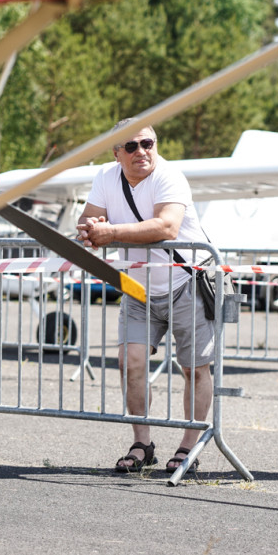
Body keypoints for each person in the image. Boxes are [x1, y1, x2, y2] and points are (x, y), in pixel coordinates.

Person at [76, 119, 215, 475]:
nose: (142, 152)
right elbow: (88, 219)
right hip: (137, 288)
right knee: (129, 362)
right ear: (116, 152)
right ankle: (142, 443)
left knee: (194, 369)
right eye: (132, 146)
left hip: (187, 282)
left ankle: (190, 444)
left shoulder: (170, 176)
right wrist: (90, 230)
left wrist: (111, 232)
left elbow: (166, 226)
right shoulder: (106, 178)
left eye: (148, 144)